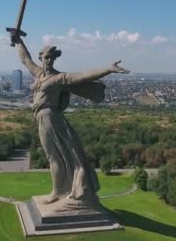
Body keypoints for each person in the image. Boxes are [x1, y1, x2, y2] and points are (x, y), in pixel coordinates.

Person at [13, 35, 129, 211]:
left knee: (54, 157)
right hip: (43, 118)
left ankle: (57, 193)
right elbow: (25, 59)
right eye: (46, 57)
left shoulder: (60, 78)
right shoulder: (39, 73)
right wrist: (17, 39)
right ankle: (59, 191)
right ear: (41, 58)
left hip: (50, 118)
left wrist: (108, 69)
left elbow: (83, 76)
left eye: (52, 58)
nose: (49, 60)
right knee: (56, 156)